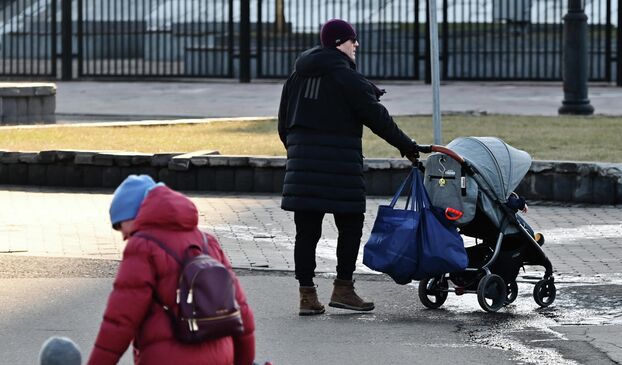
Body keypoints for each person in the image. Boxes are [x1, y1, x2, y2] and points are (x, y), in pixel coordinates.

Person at [277, 18, 419, 316]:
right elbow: (378, 118)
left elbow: (282, 124)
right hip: (340, 166)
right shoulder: (346, 77)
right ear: (339, 42)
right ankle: (343, 288)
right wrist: (408, 146)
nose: (356, 45)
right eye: (352, 40)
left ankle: (307, 296)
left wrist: (298, 154)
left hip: (302, 166)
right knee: (351, 224)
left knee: (307, 232)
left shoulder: (296, 76)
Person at [88, 175, 255, 365]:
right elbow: (241, 311)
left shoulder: (142, 247)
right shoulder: (207, 242)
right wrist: (244, 361)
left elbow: (119, 322)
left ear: (136, 214)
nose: (123, 235)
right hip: (220, 356)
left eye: (120, 225)